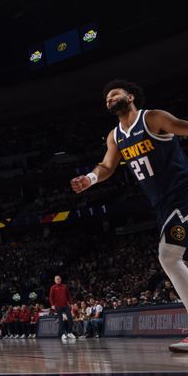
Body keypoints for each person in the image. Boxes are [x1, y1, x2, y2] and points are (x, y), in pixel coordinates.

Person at [70, 80, 188, 353]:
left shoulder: (153, 118)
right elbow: (107, 166)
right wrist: (90, 179)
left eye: (115, 94)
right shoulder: (116, 136)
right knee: (171, 257)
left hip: (182, 194)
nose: (110, 99)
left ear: (130, 96)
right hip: (162, 205)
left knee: (169, 255)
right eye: (107, 98)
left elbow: (183, 127)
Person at [49, 275, 75, 341]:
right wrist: (52, 305)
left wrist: (71, 303)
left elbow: (68, 295)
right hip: (57, 306)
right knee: (61, 320)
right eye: (56, 279)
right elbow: (51, 297)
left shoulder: (65, 286)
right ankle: (63, 334)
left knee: (70, 319)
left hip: (65, 305)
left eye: (59, 279)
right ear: (55, 280)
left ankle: (69, 332)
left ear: (61, 279)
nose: (58, 280)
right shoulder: (53, 287)